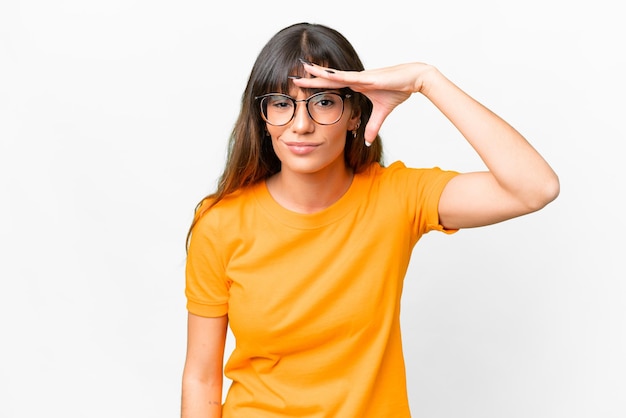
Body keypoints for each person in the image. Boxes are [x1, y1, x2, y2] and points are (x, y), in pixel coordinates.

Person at [181, 22, 559, 418]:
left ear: (354, 115)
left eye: (323, 102)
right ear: (262, 116)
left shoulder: (396, 197)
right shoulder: (220, 222)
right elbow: (201, 379)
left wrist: (425, 79)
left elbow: (535, 187)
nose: (301, 124)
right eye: (281, 103)